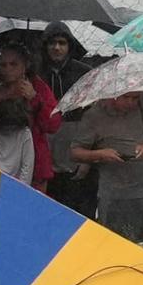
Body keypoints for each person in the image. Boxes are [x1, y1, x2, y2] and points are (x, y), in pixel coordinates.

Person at [69, 89, 143, 242]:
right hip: (112, 194)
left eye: (134, 98)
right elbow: (75, 152)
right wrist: (100, 154)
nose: (131, 102)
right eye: (125, 97)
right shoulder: (94, 115)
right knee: (113, 242)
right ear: (112, 95)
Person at [0, 45, 61, 192]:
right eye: (3, 65)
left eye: (14, 64)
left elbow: (53, 124)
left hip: (33, 169)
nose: (8, 69)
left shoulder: (38, 87)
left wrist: (35, 98)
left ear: (25, 65)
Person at [35, 22, 96, 216]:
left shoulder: (84, 73)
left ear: (70, 46)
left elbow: (93, 117)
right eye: (52, 43)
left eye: (62, 43)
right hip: (45, 144)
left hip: (77, 143)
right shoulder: (34, 74)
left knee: (79, 209)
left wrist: (87, 158)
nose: (57, 48)